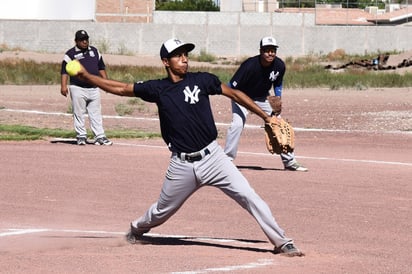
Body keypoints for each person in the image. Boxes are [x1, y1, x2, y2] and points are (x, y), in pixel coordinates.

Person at [74, 38, 304, 256]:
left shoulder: (203, 80)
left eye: (185, 55)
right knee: (161, 211)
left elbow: (234, 93)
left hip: (214, 158)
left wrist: (265, 116)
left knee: (249, 196)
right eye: (177, 56)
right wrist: (87, 76)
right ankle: (136, 229)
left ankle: (282, 242)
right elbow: (121, 88)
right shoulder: (158, 89)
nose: (184, 59)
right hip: (181, 165)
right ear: (166, 62)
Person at [224, 36, 307, 171]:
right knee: (237, 125)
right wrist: (240, 101)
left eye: (273, 50)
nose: (270, 53)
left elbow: (278, 83)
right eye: (267, 50)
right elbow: (231, 87)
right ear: (261, 51)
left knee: (278, 124)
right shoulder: (249, 65)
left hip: (262, 98)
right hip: (242, 97)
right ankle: (226, 160)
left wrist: (278, 97)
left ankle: (290, 162)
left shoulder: (279, 65)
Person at [60, 30, 112, 146]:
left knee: (96, 113)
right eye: (82, 40)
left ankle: (99, 136)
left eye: (86, 39)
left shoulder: (94, 51)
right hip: (78, 88)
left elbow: (101, 68)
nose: (85, 42)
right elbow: (64, 71)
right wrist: (63, 86)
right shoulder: (70, 54)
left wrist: (106, 83)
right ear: (76, 41)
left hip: (94, 87)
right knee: (79, 112)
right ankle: (81, 136)